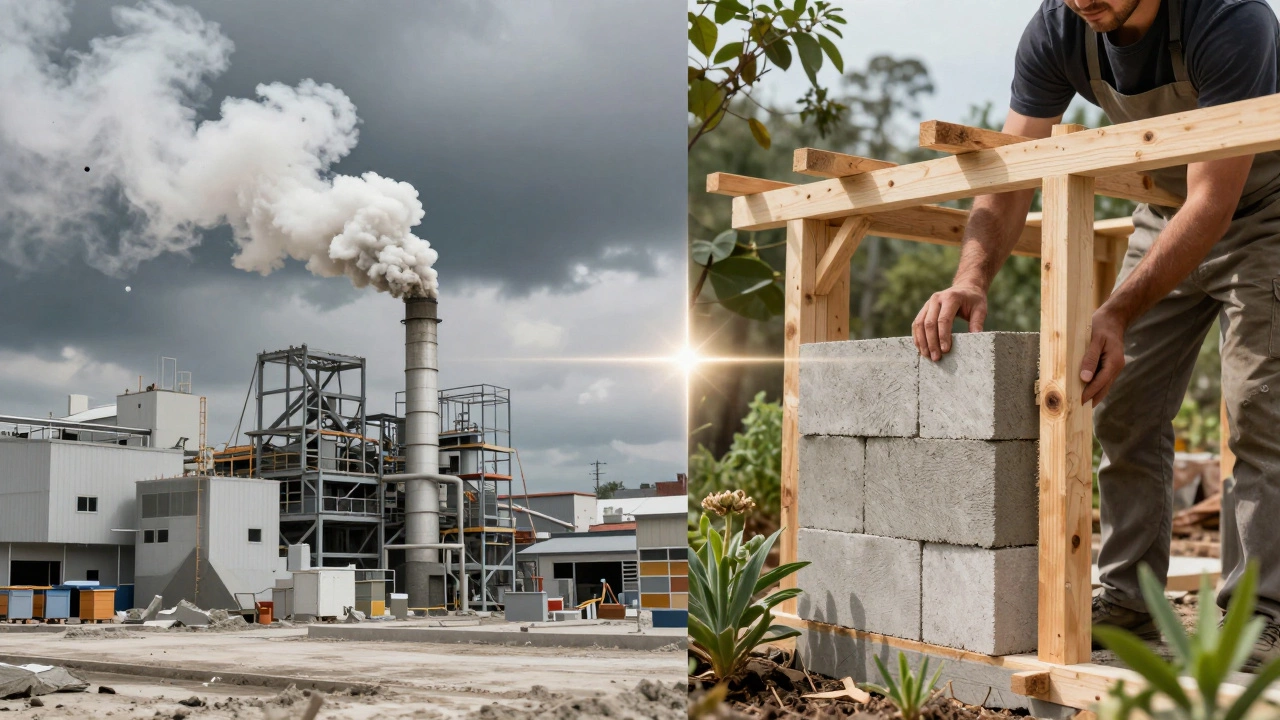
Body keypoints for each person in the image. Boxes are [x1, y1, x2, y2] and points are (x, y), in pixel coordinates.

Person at [911, 0, 1280, 667]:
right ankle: (1132, 596)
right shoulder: (1059, 29)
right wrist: (970, 278)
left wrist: (1114, 310)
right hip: (1166, 212)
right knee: (1119, 400)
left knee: (1260, 411)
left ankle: (1262, 616)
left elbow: (1214, 198)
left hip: (1263, 213)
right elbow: (1010, 171)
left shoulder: (1231, 18)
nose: (1085, 0)